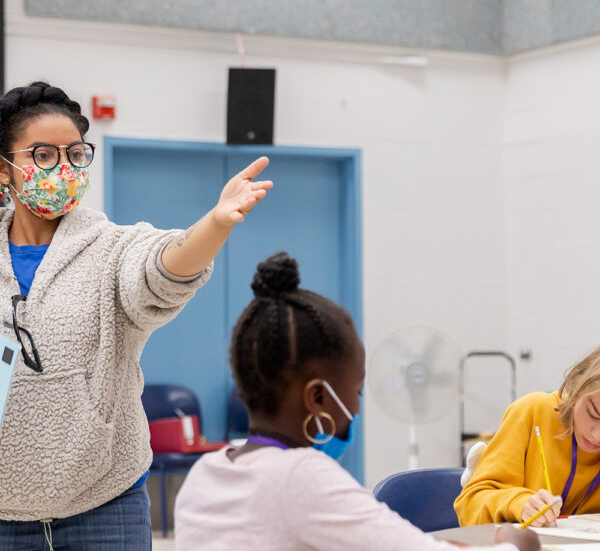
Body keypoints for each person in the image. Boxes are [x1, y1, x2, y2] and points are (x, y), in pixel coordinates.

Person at [0, 81, 273, 550]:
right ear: (5, 170)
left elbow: (164, 267)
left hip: (105, 505)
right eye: (43, 156)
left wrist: (215, 223)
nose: (63, 168)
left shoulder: (111, 248)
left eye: (75, 154)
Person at [174, 252, 540, 551]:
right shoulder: (300, 476)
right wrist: (514, 543)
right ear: (318, 397)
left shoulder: (205, 474)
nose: (358, 408)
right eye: (357, 390)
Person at [455, 347, 600, 526]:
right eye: (593, 413)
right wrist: (518, 503)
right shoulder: (532, 412)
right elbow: (469, 506)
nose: (597, 436)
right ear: (577, 387)